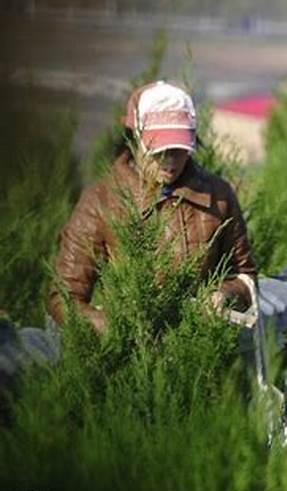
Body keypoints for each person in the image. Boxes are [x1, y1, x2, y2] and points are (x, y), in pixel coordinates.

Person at [48, 81, 256, 333]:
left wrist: (224, 294)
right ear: (135, 140)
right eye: (159, 149)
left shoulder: (219, 195)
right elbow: (63, 297)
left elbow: (246, 276)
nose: (170, 161)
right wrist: (113, 328)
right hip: (129, 357)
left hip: (203, 351)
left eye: (179, 149)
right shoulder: (99, 201)